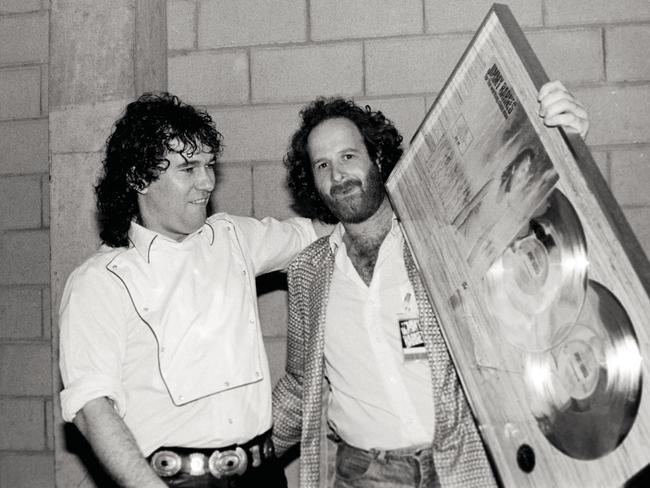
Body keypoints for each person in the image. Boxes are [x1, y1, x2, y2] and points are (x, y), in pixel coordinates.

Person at [272, 80, 589, 487]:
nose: (338, 174)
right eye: (322, 165)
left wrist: (571, 146)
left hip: (462, 466)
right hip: (366, 475)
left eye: (349, 156)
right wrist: (229, 448)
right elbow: (301, 384)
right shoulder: (307, 273)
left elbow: (541, 252)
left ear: (379, 158)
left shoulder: (442, 238)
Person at [58, 92, 329, 488]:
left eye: (209, 165)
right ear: (138, 178)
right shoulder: (100, 280)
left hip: (264, 476)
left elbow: (317, 235)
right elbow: (90, 406)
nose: (207, 182)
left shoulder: (234, 237)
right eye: (188, 168)